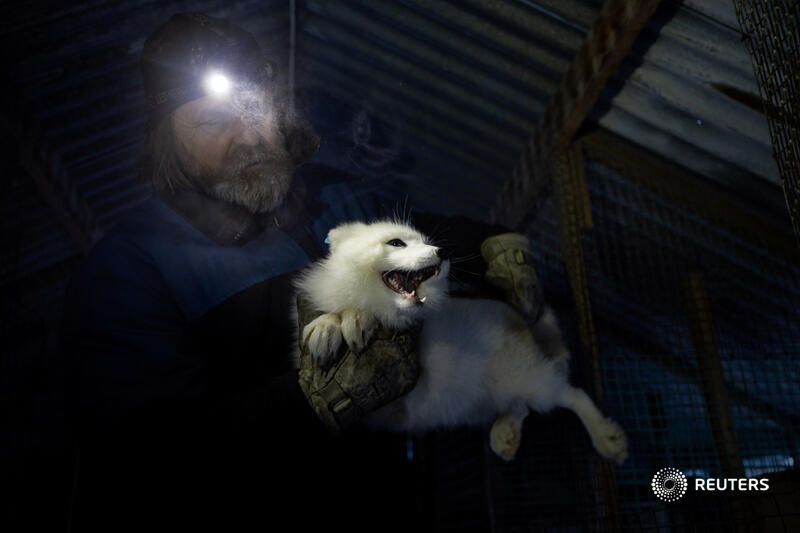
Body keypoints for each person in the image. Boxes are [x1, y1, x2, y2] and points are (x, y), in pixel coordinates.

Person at [61, 12, 542, 533]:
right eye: (211, 121)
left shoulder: (329, 198)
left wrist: (489, 244)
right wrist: (312, 401)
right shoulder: (128, 268)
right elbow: (143, 458)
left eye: (256, 109)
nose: (248, 136)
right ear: (168, 145)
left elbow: (418, 232)